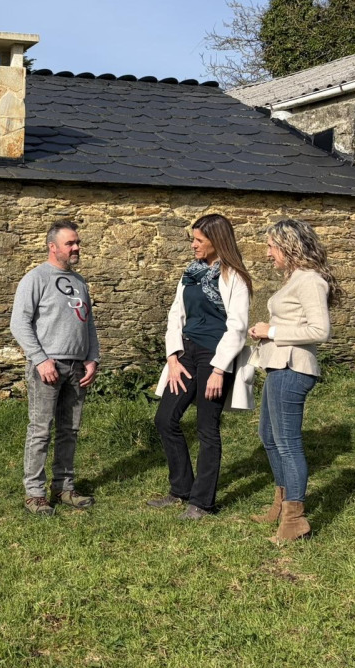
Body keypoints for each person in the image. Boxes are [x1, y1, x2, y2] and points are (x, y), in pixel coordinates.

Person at [149, 214, 254, 520]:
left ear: (216, 241)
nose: (193, 245)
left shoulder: (235, 277)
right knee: (165, 419)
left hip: (215, 355)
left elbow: (237, 326)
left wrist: (219, 369)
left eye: (199, 240)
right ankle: (181, 489)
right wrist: (172, 357)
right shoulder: (191, 273)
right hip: (186, 352)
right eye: (193, 239)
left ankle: (202, 502)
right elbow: (176, 314)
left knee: (207, 428)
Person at [248, 219, 339, 544]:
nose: (267, 253)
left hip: (292, 369)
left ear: (289, 247)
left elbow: (320, 331)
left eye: (271, 246)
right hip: (278, 366)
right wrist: (265, 331)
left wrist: (271, 331)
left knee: (287, 442)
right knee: (269, 437)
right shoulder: (296, 279)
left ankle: (295, 520)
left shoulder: (310, 280)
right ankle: (281, 504)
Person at [11, 220, 99, 515]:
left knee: (69, 430)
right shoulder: (36, 278)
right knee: (40, 431)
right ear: (53, 246)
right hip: (47, 367)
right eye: (70, 243)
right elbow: (19, 323)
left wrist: (92, 358)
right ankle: (34, 494)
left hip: (77, 368)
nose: (76, 248)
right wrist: (40, 359)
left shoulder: (80, 282)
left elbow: (88, 324)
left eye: (77, 243)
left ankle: (63, 487)